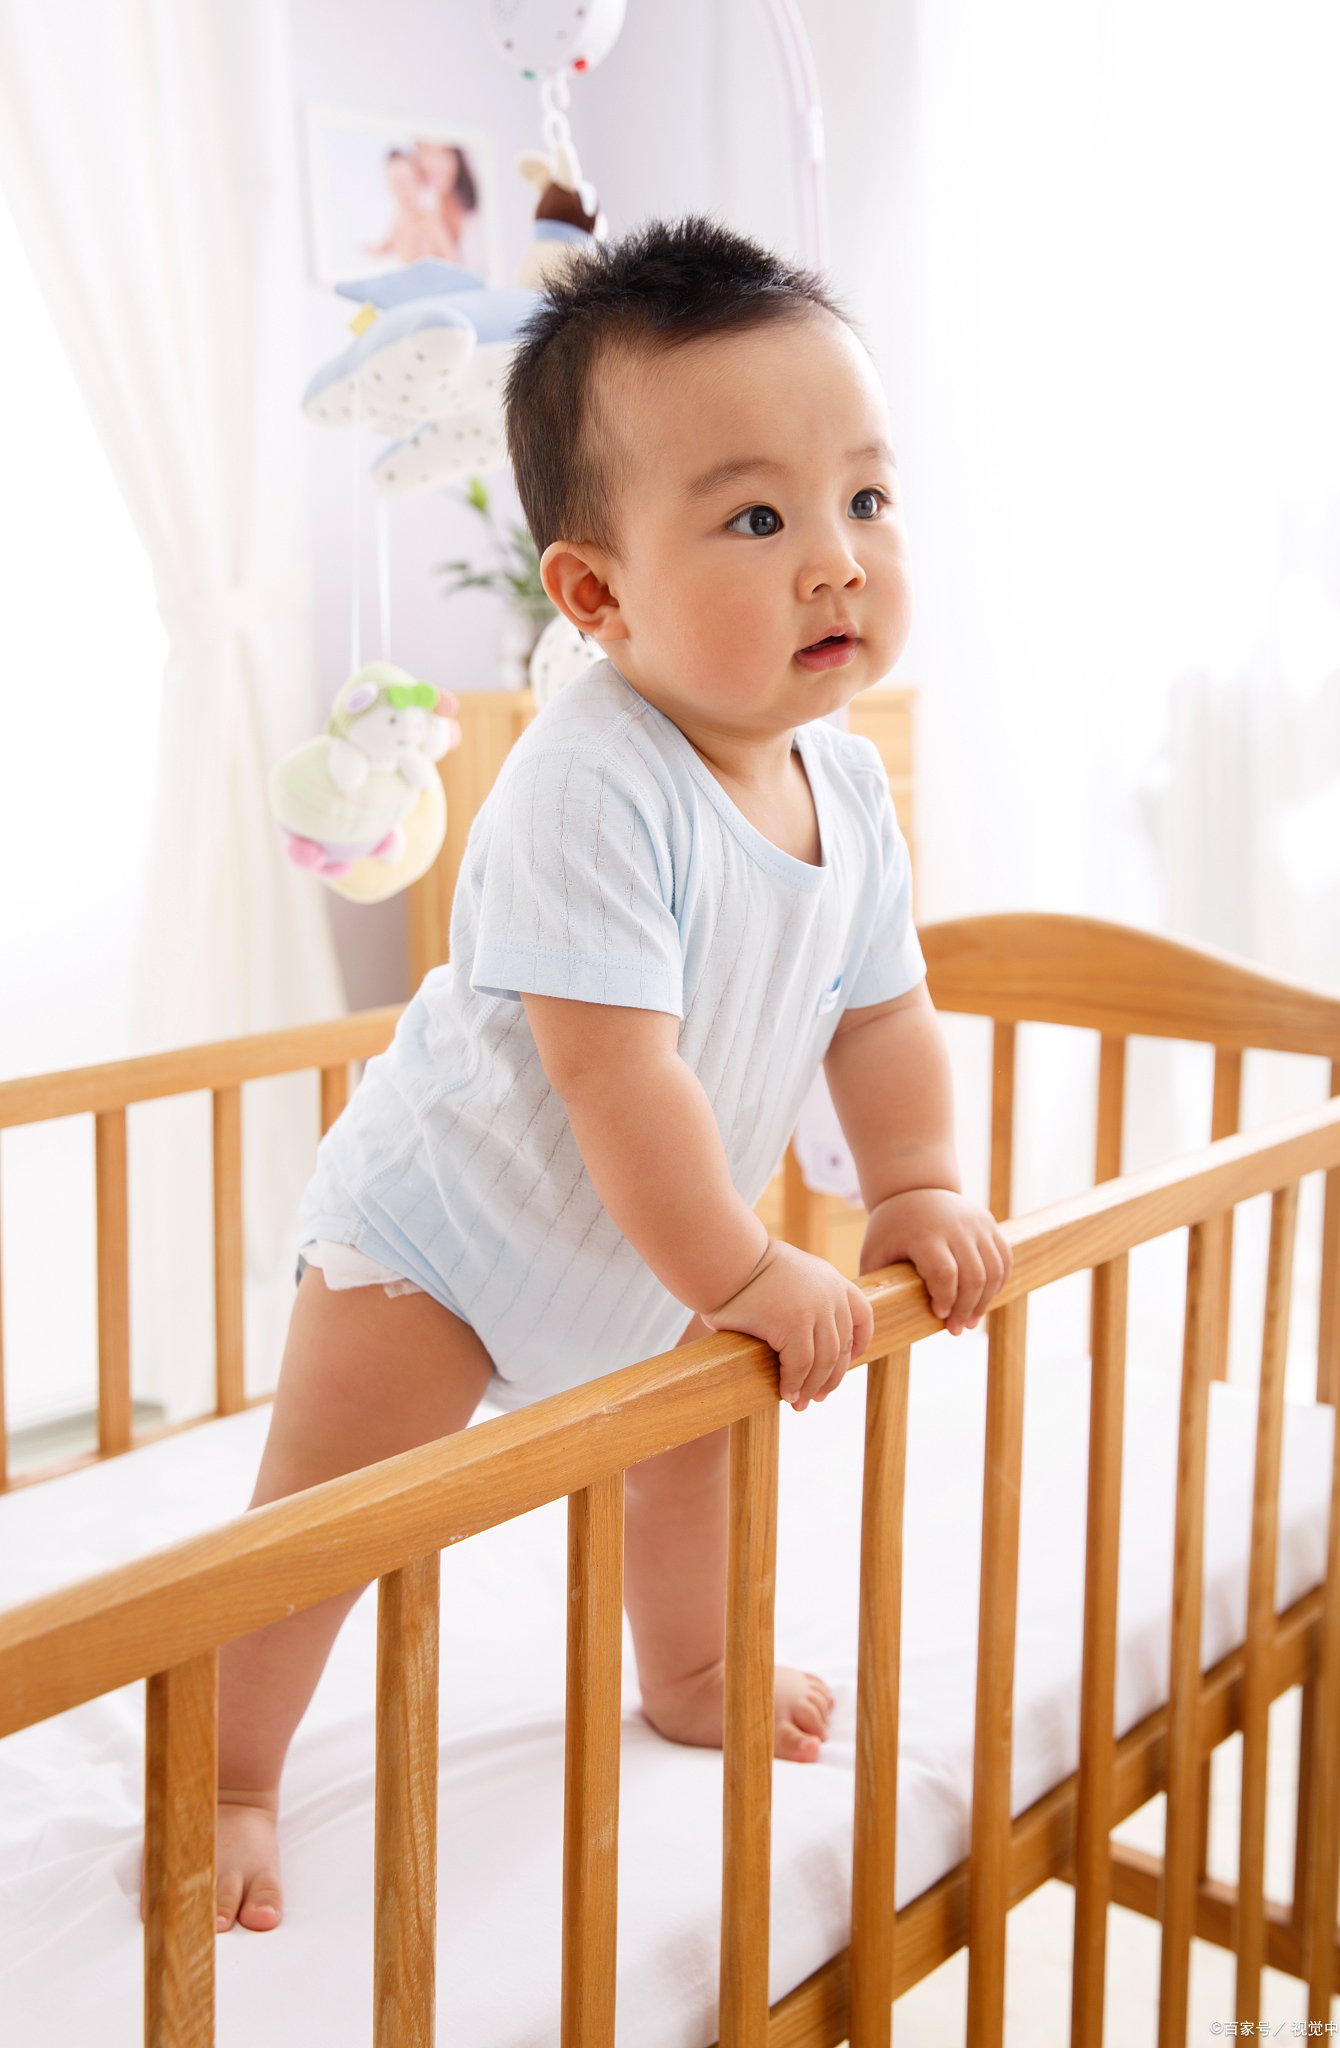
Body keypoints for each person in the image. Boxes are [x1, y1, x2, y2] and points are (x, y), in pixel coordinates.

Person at [210, 218, 1011, 1933]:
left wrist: (917, 1182)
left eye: (866, 498)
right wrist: (744, 1266)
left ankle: (694, 1667)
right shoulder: (593, 781)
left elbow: (882, 1012)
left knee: (697, 1453)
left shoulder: (847, 788)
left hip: (649, 1251)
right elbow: (614, 1079)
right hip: (447, 1237)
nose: (837, 562)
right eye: (757, 518)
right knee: (327, 1518)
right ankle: (224, 1770)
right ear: (595, 594)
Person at [365, 149, 456, 264]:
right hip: (408, 272)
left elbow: (449, 255)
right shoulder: (398, 222)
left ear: (419, 182)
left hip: (430, 272)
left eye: (409, 181)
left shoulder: (431, 220)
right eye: (397, 184)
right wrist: (374, 250)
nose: (404, 190)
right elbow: (386, 245)